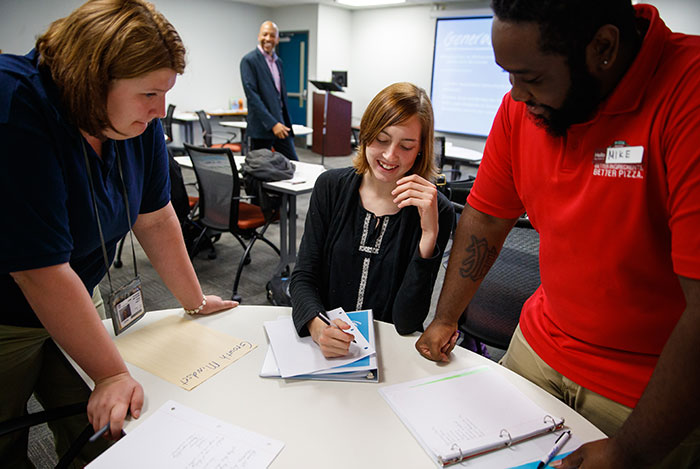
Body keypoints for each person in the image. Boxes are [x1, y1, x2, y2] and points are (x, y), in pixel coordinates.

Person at [416, 0, 700, 467]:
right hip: (540, 347)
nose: (516, 95)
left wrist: (629, 451)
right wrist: (447, 316)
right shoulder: (521, 108)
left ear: (603, 48)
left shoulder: (687, 94)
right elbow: (487, 217)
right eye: (508, 76)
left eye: (531, 78)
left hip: (643, 391)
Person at [0, 0, 237, 465]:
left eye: (165, 93)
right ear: (92, 80)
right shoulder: (15, 106)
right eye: (149, 94)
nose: (159, 109)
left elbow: (154, 216)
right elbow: (39, 271)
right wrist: (109, 373)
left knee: (105, 428)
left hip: (78, 288)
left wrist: (193, 298)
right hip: (7, 312)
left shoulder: (136, 122)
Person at [291, 82, 454, 358]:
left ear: (421, 151)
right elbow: (303, 277)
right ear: (365, 135)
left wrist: (428, 237)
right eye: (381, 139)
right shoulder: (331, 187)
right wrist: (317, 327)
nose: (390, 156)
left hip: (390, 355)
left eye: (406, 146)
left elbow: (406, 322)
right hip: (325, 346)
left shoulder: (436, 209)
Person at [240, 21, 298, 161]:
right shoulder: (249, 61)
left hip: (281, 127)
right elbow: (253, 97)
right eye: (264, 34)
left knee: (294, 165)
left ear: (277, 39)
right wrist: (272, 124)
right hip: (262, 129)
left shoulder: (278, 62)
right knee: (259, 171)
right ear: (259, 36)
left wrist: (281, 123)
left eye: (272, 35)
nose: (268, 38)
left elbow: (279, 96)